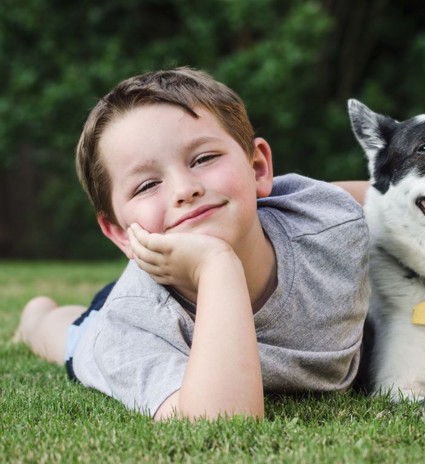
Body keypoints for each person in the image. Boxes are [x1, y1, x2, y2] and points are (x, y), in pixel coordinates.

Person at [13, 67, 370, 421]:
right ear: (120, 232)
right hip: (141, 301)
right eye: (147, 185)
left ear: (258, 169)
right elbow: (223, 424)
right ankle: (35, 318)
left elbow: (395, 200)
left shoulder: (325, 218)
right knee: (71, 335)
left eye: (204, 159)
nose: (185, 190)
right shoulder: (128, 329)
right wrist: (216, 265)